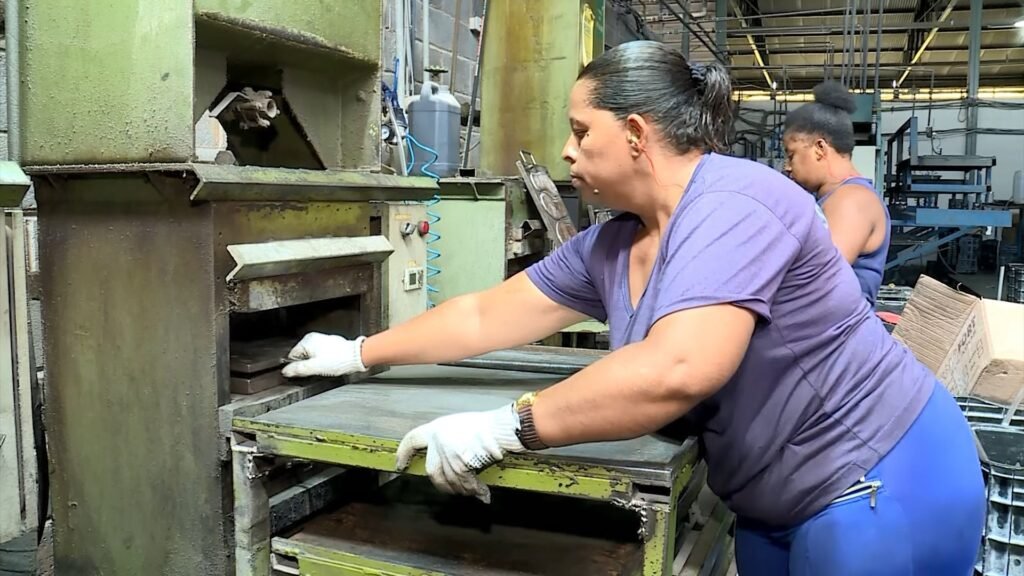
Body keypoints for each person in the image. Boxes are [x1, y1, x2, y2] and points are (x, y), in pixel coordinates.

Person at [283, 41, 984, 575]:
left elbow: (678, 368)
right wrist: (359, 352)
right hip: (771, 502)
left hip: (879, 481)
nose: (567, 151)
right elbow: (483, 317)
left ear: (637, 135)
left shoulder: (736, 201)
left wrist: (503, 428)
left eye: (581, 131)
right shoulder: (613, 244)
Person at [783, 81, 891, 305]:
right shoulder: (835, 198)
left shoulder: (851, 200)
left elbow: (818, 279)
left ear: (820, 148)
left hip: (839, 327)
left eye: (791, 155)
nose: (787, 166)